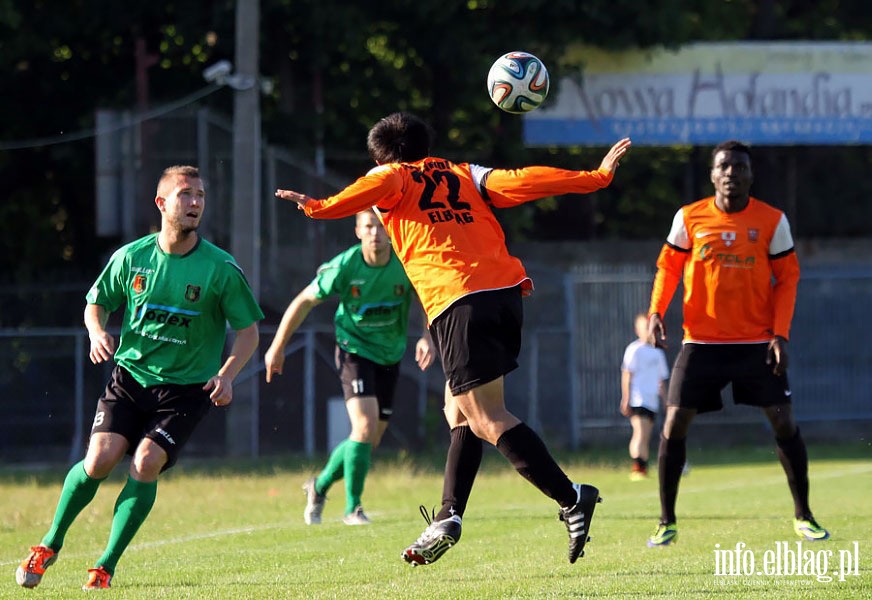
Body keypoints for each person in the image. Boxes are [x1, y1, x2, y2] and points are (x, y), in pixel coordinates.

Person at [276, 112, 631, 566]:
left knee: (487, 417)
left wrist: (319, 208)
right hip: (505, 293)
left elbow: (363, 191)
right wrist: (594, 178)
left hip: (459, 298)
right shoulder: (465, 173)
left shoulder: (393, 175)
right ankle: (448, 516)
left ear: (381, 155)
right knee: (457, 409)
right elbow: (525, 180)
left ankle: (571, 497)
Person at [15, 165, 264, 590]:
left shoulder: (220, 268)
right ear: (161, 203)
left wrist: (227, 375)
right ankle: (49, 545)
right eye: (186, 194)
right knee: (99, 459)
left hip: (186, 391)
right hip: (129, 378)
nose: (196, 203)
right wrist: (96, 331)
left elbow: (248, 333)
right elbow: (97, 302)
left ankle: (105, 566)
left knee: (146, 462)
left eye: (201, 196)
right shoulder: (132, 258)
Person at [645, 140, 830, 548]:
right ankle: (666, 521)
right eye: (724, 166)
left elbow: (788, 279)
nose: (731, 172)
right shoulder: (689, 218)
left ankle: (804, 516)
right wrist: (656, 310)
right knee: (674, 423)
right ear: (713, 174)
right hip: (701, 343)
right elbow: (668, 267)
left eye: (739, 167)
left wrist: (781, 333)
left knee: (784, 421)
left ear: (750, 175)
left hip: (756, 344)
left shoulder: (771, 220)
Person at [264, 209, 434, 526]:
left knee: (371, 438)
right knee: (364, 428)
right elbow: (303, 301)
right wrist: (277, 346)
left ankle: (319, 486)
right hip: (354, 350)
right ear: (358, 231)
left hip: (390, 354)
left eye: (381, 226)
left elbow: (427, 296)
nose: (375, 233)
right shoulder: (345, 266)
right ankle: (352, 508)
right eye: (368, 226)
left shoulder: (406, 263)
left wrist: (427, 336)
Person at [620, 313, 669, 481]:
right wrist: (625, 398)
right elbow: (627, 374)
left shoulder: (658, 352)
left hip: (652, 400)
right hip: (638, 398)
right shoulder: (634, 350)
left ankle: (643, 467)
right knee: (639, 432)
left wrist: (666, 400)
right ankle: (637, 468)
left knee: (646, 436)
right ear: (637, 330)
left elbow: (661, 380)